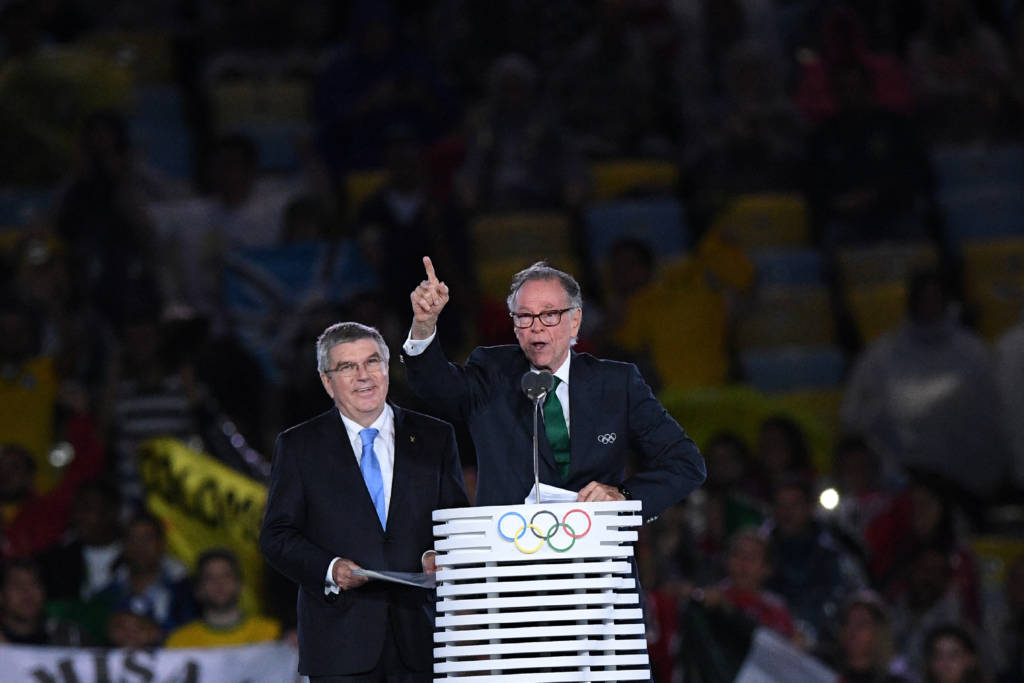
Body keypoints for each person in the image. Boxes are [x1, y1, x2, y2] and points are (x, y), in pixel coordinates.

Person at [404, 257, 706, 520]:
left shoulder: (617, 384)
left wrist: (624, 496)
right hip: (512, 568)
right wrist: (424, 324)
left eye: (549, 314)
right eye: (524, 316)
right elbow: (435, 386)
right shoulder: (491, 373)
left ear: (575, 322)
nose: (536, 326)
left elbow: (685, 463)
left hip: (596, 566)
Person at [260, 321, 468, 681]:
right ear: (328, 381)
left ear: (387, 368)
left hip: (422, 637)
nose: (364, 376)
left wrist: (439, 553)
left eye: (372, 362)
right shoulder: (299, 446)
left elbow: (456, 524)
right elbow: (276, 536)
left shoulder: (435, 436)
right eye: (347, 367)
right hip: (340, 642)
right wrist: (330, 567)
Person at [166, 548, 280, 648]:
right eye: (209, 577)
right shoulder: (180, 642)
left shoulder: (272, 634)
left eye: (226, 575)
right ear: (198, 589)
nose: (219, 583)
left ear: (240, 584)